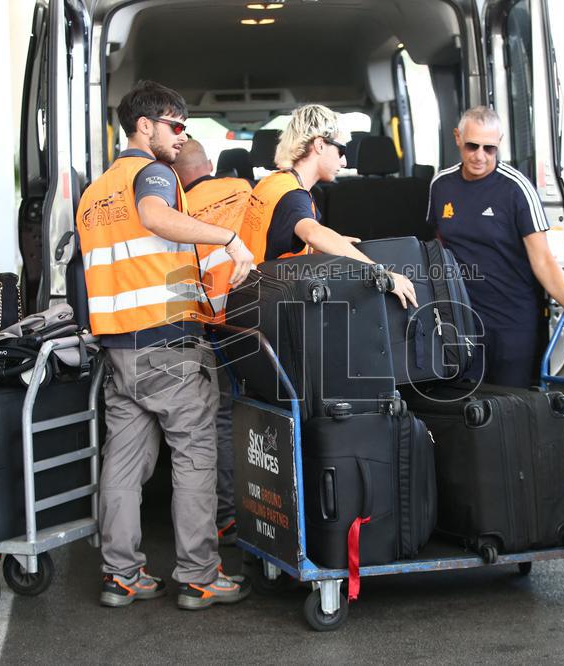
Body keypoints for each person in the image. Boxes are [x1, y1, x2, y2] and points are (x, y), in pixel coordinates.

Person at [75, 80, 255, 611]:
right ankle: (200, 575)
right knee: (196, 455)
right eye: (175, 125)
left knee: (124, 466)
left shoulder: (94, 193)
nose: (182, 136)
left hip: (119, 347)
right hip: (168, 341)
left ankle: (120, 575)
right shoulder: (154, 174)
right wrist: (225, 237)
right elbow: (155, 218)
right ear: (144, 126)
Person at [427, 106, 564, 388]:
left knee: (510, 406)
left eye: (489, 148)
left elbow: (543, 259)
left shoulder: (516, 188)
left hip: (512, 320)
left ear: (499, 144)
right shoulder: (441, 184)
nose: (480, 156)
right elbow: (438, 244)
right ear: (457, 138)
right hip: (461, 317)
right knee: (464, 405)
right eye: (472, 146)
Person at [239, 104, 418, 309]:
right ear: (320, 145)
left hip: (251, 297)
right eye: (341, 150)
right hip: (267, 306)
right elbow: (313, 233)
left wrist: (333, 248)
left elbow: (278, 248)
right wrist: (381, 273)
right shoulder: (293, 195)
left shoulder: (272, 183)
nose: (344, 162)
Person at [172, 138, 252, 546]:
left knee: (220, 418)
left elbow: (177, 290)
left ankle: (227, 516)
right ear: (209, 164)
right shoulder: (244, 190)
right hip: (260, 320)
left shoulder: (177, 214)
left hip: (213, 330)